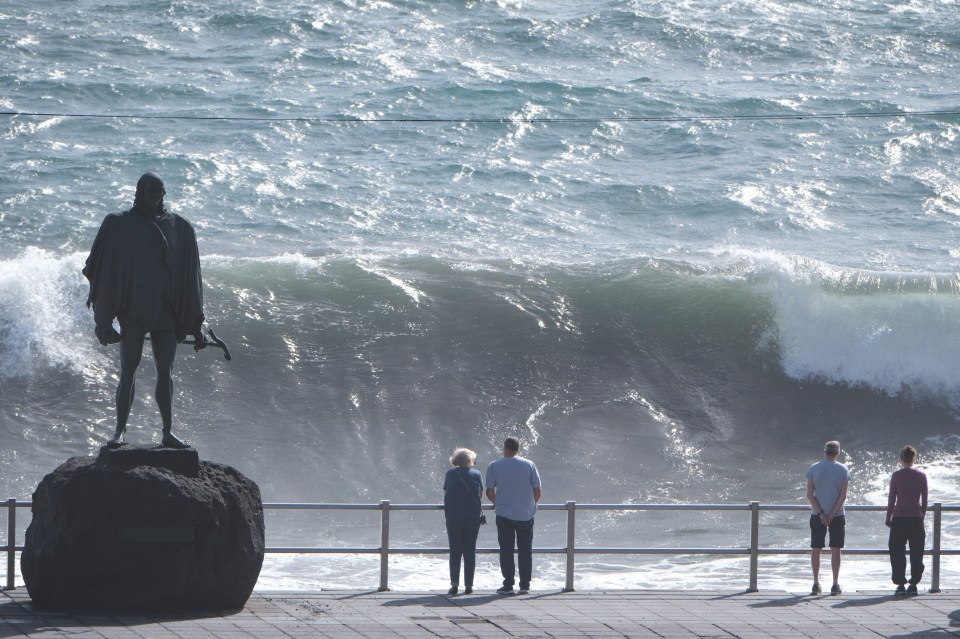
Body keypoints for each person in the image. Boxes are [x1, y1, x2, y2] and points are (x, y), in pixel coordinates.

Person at [83, 172, 205, 449]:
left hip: (166, 312)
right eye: (147, 191)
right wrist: (103, 320)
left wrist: (194, 324)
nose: (153, 196)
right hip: (133, 311)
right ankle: (119, 431)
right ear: (137, 192)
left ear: (164, 194)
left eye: (158, 191)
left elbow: (192, 279)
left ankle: (168, 432)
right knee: (128, 369)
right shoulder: (117, 224)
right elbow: (103, 272)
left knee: (166, 370)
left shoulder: (180, 227)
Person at [486, 436, 541, 595]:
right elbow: (537, 490)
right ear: (518, 449)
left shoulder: (494, 466)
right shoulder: (529, 464)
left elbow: (490, 492)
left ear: (504, 449)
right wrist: (530, 504)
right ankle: (524, 585)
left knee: (506, 550)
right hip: (525, 514)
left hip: (504, 514)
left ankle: (508, 584)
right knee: (525, 550)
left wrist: (498, 502)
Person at [805, 440, 850, 596]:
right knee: (835, 550)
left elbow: (810, 494)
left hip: (817, 514)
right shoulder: (843, 469)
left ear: (825, 452)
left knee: (816, 549)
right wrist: (831, 515)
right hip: (837, 515)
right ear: (838, 453)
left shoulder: (814, 468)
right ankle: (835, 583)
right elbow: (843, 496)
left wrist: (820, 514)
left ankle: (816, 583)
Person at [886, 444, 928, 596]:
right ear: (914, 458)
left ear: (901, 459)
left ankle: (901, 583)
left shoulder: (896, 476)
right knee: (917, 553)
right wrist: (920, 516)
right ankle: (914, 583)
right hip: (916, 519)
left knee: (897, 551)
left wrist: (888, 517)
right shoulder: (921, 475)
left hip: (899, 518)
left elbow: (892, 499)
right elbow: (925, 502)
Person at [442, 448, 484, 596]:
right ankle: (469, 586)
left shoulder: (450, 474)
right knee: (469, 552)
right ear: (468, 461)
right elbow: (480, 494)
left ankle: (454, 585)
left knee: (455, 552)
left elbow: (446, 490)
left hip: (453, 516)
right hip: (472, 517)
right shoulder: (477, 474)